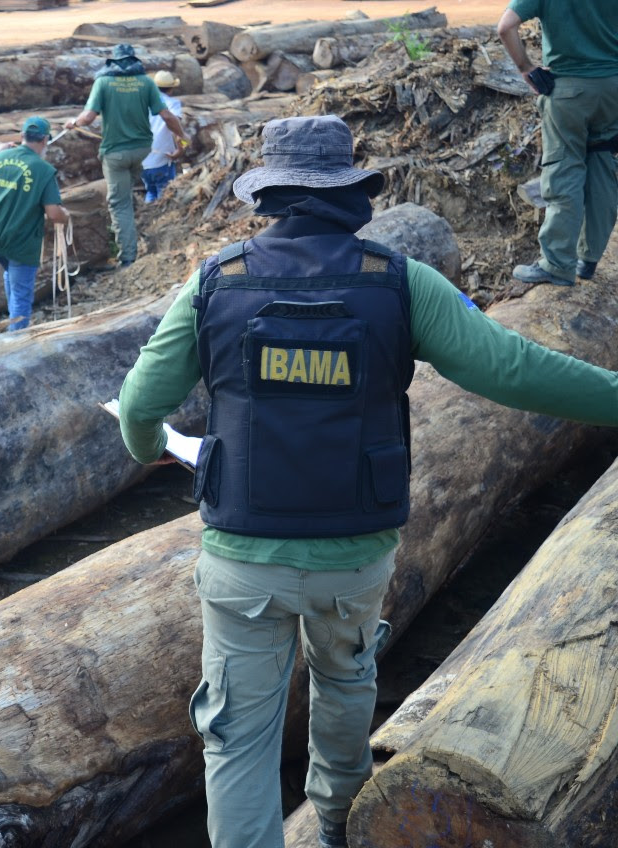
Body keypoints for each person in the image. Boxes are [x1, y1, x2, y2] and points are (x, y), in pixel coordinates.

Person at [115, 114, 618, 848]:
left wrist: (145, 449)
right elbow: (511, 369)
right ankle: (337, 827)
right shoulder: (400, 284)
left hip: (244, 557)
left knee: (237, 736)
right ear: (350, 190)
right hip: (354, 552)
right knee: (345, 686)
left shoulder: (215, 284)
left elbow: (139, 406)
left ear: (271, 195)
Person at [497, 0, 618, 286]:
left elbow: (506, 27)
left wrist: (526, 67)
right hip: (612, 88)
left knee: (565, 169)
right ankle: (588, 260)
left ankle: (558, 263)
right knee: (602, 161)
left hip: (568, 92)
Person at [65, 44, 191, 268]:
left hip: (116, 153)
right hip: (142, 152)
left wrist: (73, 123)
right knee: (131, 196)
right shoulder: (145, 83)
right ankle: (138, 238)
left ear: (113, 61)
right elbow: (167, 116)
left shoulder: (103, 82)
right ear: (134, 61)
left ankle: (127, 258)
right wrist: (182, 138)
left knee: (119, 204)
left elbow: (88, 117)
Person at [0, 116, 69, 331]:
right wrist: (67, 215)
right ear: (45, 140)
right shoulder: (43, 170)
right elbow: (54, 214)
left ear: (22, 137)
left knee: (11, 272)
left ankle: (12, 323)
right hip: (19, 242)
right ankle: (14, 345)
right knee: (21, 298)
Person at [141, 69, 185, 203]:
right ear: (171, 89)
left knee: (150, 191)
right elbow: (175, 129)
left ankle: (148, 219)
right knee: (164, 195)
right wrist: (181, 148)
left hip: (142, 160)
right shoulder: (172, 104)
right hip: (162, 158)